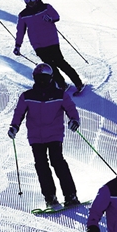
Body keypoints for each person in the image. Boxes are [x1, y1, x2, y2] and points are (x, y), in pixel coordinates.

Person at [8, 63, 80, 208]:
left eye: (44, 78)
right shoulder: (27, 96)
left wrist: (74, 120)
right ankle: (50, 197)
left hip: (54, 134)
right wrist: (14, 126)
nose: (41, 81)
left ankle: (70, 195)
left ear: (50, 78)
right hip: (36, 136)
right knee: (41, 165)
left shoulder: (60, 95)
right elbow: (19, 112)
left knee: (57, 161)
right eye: (38, 78)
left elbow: (71, 108)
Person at [14, 0, 85, 94]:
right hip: (38, 45)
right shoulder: (23, 15)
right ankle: (62, 84)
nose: (30, 2)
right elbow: (20, 31)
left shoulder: (46, 7)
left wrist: (51, 19)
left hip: (51, 41)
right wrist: (17, 45)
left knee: (60, 62)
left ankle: (78, 83)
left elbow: (56, 16)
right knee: (50, 66)